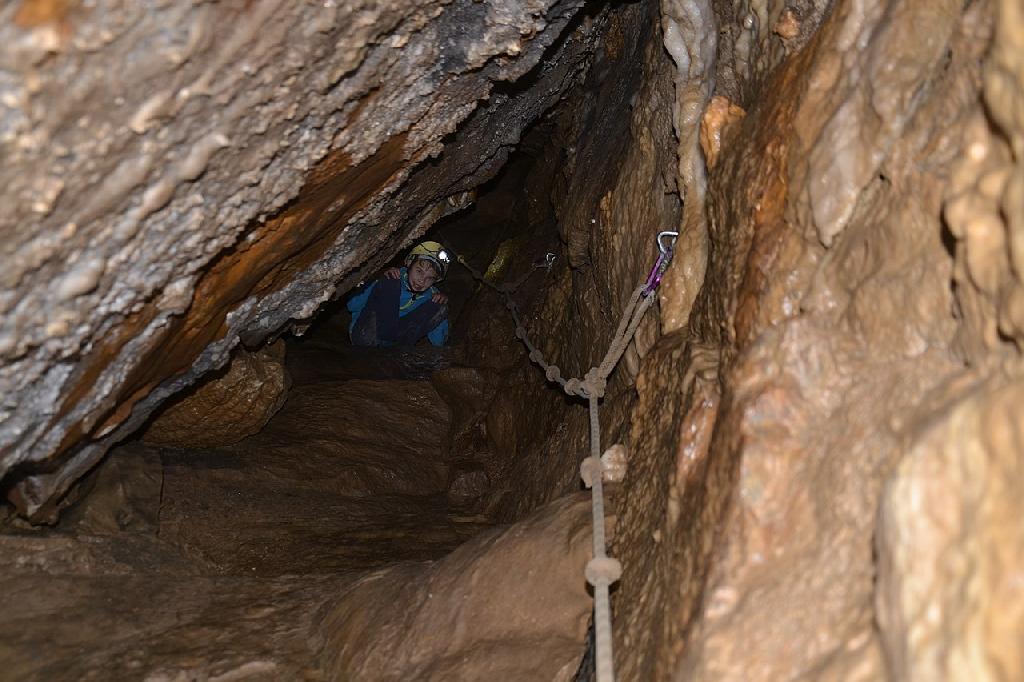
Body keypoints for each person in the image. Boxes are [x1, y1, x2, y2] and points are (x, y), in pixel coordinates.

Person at [346, 241, 451, 347]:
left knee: (439, 304)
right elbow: (352, 305)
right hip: (365, 335)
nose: (422, 281)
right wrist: (376, 277)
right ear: (409, 263)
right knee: (391, 281)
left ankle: (390, 349)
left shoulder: (432, 295)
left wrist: (441, 306)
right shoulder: (391, 276)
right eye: (419, 271)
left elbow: (438, 341)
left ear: (436, 280)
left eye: (430, 278)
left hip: (395, 343)